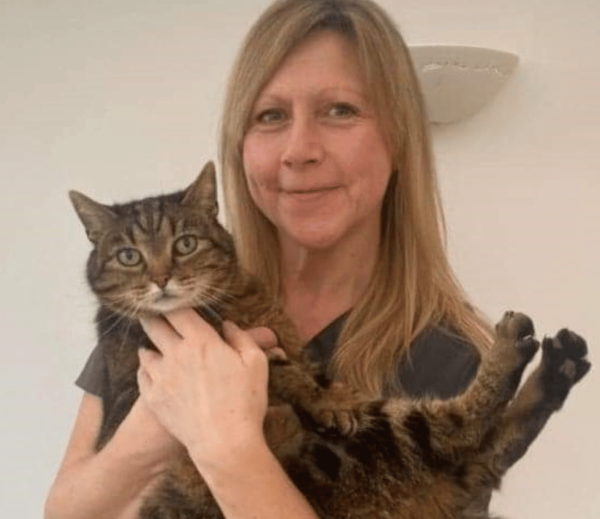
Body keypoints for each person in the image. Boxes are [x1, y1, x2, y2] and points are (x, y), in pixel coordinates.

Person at [45, 0, 493, 518]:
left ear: (399, 137)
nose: (299, 149)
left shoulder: (452, 362)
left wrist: (225, 445)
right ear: (241, 145)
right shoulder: (161, 311)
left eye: (340, 110)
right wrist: (153, 425)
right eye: (271, 116)